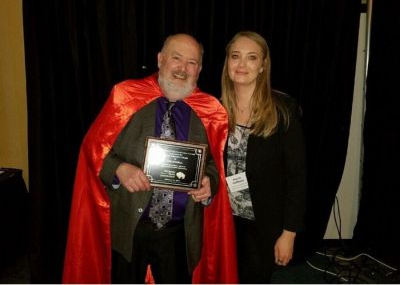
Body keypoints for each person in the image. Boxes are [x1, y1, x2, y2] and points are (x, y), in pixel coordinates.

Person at [62, 34, 238, 284]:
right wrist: (119, 169)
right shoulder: (125, 96)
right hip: (129, 229)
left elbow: (212, 165)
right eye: (176, 58)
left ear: (199, 69)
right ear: (160, 59)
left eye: (191, 62)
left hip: (179, 234)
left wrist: (209, 181)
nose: (182, 68)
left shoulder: (209, 110)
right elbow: (94, 149)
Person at [221, 31, 307, 283]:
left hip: (264, 221)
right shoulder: (215, 109)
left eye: (251, 58)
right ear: (227, 63)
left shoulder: (283, 110)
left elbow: (296, 175)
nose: (241, 64)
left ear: (263, 65)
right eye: (235, 56)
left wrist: (289, 233)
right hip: (225, 221)